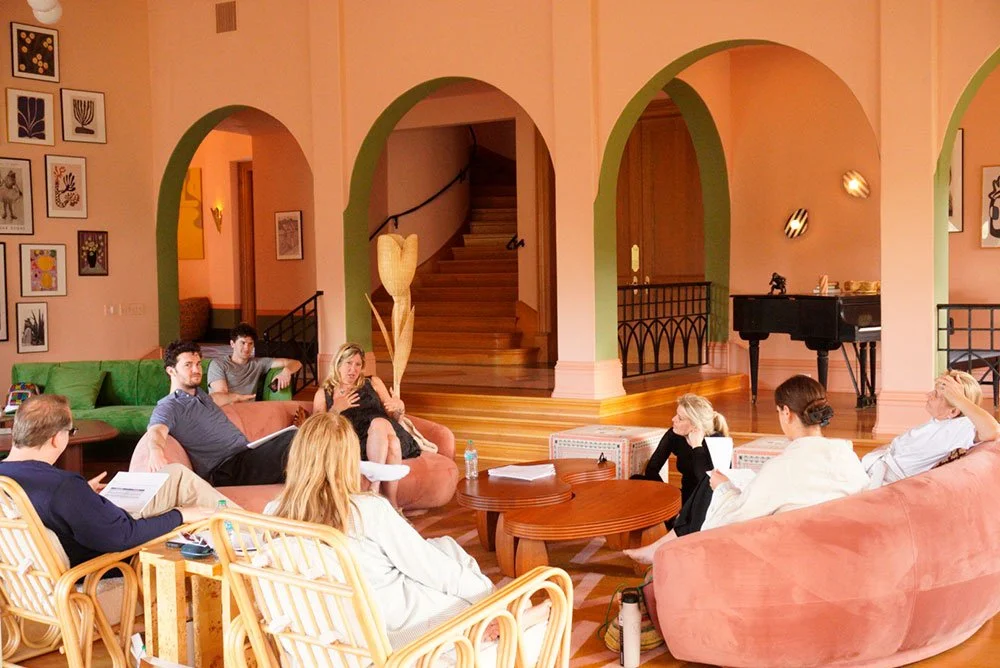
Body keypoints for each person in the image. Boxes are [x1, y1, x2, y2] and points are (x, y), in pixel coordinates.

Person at [266, 412, 498, 649]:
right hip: (400, 632)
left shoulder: (273, 514)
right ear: (349, 461)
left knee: (446, 548)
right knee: (469, 584)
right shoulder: (366, 510)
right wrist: (490, 599)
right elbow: (429, 567)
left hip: (330, 637)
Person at [626, 375, 869, 564]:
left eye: (778, 412)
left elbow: (737, 514)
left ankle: (665, 548)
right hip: (834, 541)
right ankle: (663, 546)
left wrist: (724, 488)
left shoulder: (782, 467)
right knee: (719, 481)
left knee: (712, 486)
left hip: (790, 546)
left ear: (786, 412)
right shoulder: (846, 455)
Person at [0, 395, 226, 567]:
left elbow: (44, 505)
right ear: (57, 438)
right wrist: (181, 514)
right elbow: (124, 537)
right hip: (105, 562)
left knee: (175, 474)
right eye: (71, 431)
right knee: (189, 499)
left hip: (37, 569)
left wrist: (82, 494)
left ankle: (243, 533)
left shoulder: (11, 480)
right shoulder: (62, 487)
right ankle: (245, 541)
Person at [144, 340, 297, 486]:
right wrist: (156, 451)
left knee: (297, 437)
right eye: (188, 365)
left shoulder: (200, 395)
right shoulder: (169, 406)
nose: (196, 370)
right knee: (294, 439)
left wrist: (236, 397)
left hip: (246, 456)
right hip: (226, 470)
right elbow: (156, 430)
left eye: (198, 364)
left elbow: (216, 398)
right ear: (171, 371)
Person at [313, 342, 421, 508]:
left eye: (358, 364)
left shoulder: (373, 382)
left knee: (380, 423)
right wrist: (336, 409)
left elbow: (393, 415)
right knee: (392, 443)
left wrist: (400, 408)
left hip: (389, 431)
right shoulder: (324, 393)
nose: (353, 369)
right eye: (349, 363)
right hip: (359, 442)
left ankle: (374, 488)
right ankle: (392, 505)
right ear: (338, 364)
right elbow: (316, 430)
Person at [862, 370, 999, 487]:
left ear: (953, 411)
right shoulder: (938, 422)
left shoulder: (959, 426)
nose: (928, 395)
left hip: (886, 478)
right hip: (874, 466)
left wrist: (959, 399)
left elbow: (993, 431)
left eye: (937, 395)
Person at [631, 394, 730, 505]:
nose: (673, 419)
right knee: (635, 480)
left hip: (706, 503)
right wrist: (668, 497)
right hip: (684, 498)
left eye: (680, 418)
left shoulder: (718, 441)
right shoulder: (674, 434)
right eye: (676, 414)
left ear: (695, 424)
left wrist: (696, 446)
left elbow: (707, 485)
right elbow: (652, 469)